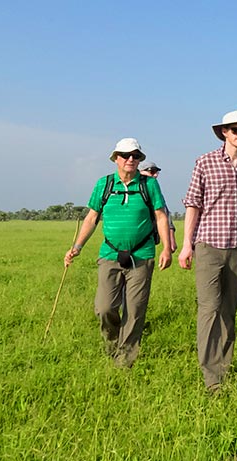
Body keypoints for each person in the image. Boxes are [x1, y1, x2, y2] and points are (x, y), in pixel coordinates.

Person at [64, 138, 173, 368]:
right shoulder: (104, 185)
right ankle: (112, 344)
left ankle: (125, 360)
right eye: (125, 155)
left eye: (135, 155)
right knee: (105, 307)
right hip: (110, 254)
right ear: (116, 158)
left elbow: (161, 216)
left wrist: (166, 248)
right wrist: (77, 247)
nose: (130, 159)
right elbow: (92, 218)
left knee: (134, 310)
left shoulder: (148, 185)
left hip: (142, 254)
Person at [176, 110, 237, 392]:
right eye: (235, 130)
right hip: (208, 245)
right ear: (223, 132)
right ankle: (211, 376)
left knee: (228, 310)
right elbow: (193, 205)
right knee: (209, 309)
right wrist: (187, 244)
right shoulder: (205, 162)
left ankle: (224, 366)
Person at [140, 161, 177, 236]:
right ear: (140, 172)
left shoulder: (154, 189)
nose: (155, 175)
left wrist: (171, 234)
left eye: (156, 172)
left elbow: (164, 212)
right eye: (152, 172)